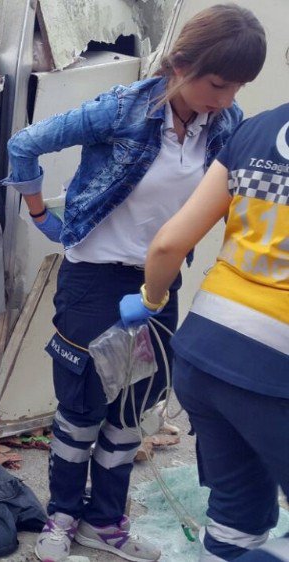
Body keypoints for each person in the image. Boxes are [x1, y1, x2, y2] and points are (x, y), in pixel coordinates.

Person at [0, 5, 267, 561]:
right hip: (94, 277)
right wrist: (42, 216)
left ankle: (106, 522)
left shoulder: (230, 124)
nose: (225, 97)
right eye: (217, 83)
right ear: (182, 64)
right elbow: (25, 143)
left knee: (131, 411)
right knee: (81, 407)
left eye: (237, 87)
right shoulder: (122, 109)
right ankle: (63, 519)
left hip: (157, 285)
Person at [120, 102, 288, 561]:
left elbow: (170, 242)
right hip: (275, 373)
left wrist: (150, 300)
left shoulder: (259, 128)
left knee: (237, 519)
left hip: (204, 351)